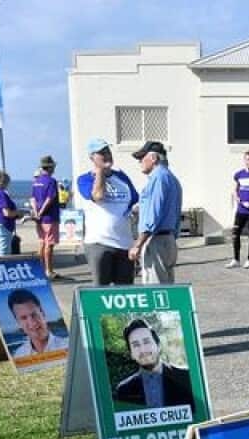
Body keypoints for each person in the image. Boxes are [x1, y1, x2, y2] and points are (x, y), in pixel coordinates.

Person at [77, 138, 139, 285]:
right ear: (92, 157)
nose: (107, 155)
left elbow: (135, 201)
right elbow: (98, 196)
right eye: (101, 153)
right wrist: (100, 171)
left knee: (125, 290)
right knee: (101, 290)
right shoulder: (85, 179)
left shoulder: (122, 177)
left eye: (108, 151)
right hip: (99, 243)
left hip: (124, 244)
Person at [112, 318, 194, 412]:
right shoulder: (124, 390)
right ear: (131, 354)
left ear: (158, 345)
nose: (143, 350)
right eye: (136, 345)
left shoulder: (187, 378)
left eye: (146, 342)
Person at [132, 141, 183, 284]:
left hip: (156, 240)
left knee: (154, 290)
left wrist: (138, 245)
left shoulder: (158, 178)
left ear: (153, 158)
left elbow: (153, 216)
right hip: (169, 239)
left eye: (142, 158)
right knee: (167, 290)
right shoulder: (172, 178)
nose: (140, 162)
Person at [7, 289, 68, 358]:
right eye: (24, 318)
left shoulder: (67, 345)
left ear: (43, 313)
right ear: (18, 322)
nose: (32, 323)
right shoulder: (19, 355)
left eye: (34, 315)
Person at [31, 155, 62, 279]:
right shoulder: (51, 181)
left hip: (39, 218)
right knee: (49, 244)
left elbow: (33, 198)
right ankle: (49, 271)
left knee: (42, 243)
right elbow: (50, 198)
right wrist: (41, 212)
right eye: (53, 167)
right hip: (49, 217)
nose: (54, 169)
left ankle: (41, 269)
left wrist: (36, 212)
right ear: (50, 167)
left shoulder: (36, 181)